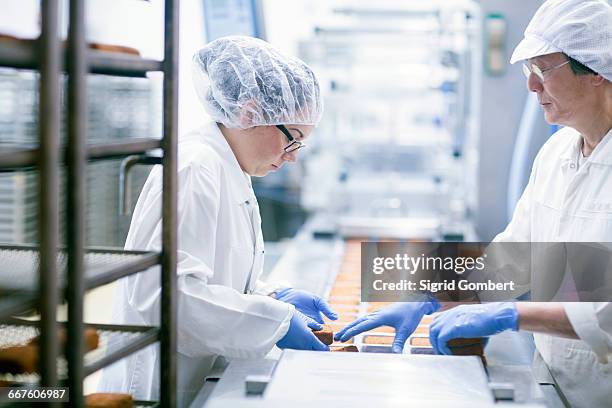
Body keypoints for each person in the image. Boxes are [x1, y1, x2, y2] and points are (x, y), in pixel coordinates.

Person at [336, 1, 612, 406]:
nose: (532, 87)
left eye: (543, 69)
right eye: (528, 71)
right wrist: (432, 294)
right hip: (555, 383)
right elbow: (515, 258)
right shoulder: (557, 154)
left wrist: (514, 315)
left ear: (597, 71)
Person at [99, 36, 336, 406]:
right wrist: (273, 320)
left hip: (193, 376)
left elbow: (215, 273)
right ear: (249, 114)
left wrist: (269, 296)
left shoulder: (231, 167)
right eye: (293, 140)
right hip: (161, 385)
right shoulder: (196, 167)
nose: (292, 158)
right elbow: (168, 296)